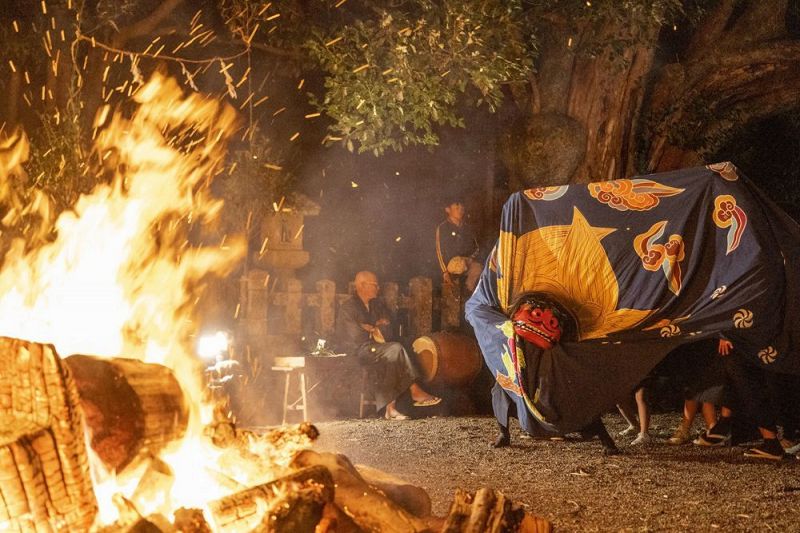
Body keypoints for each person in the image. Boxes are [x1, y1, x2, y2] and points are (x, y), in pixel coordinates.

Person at [335, 271, 441, 420]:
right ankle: (414, 390)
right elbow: (356, 335)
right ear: (362, 285)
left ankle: (390, 409)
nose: (378, 288)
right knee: (395, 349)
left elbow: (389, 328)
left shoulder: (377, 305)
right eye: (375, 285)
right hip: (359, 351)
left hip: (378, 348)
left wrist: (370, 327)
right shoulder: (348, 308)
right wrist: (375, 327)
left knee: (392, 355)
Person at [435, 197, 481, 293]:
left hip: (466, 262)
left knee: (478, 268)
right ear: (448, 210)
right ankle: (454, 285)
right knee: (459, 264)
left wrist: (470, 258)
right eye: (457, 208)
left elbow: (476, 247)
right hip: (451, 265)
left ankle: (468, 291)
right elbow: (439, 251)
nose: (460, 210)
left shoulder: (467, 228)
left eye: (462, 208)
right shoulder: (443, 228)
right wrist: (444, 272)